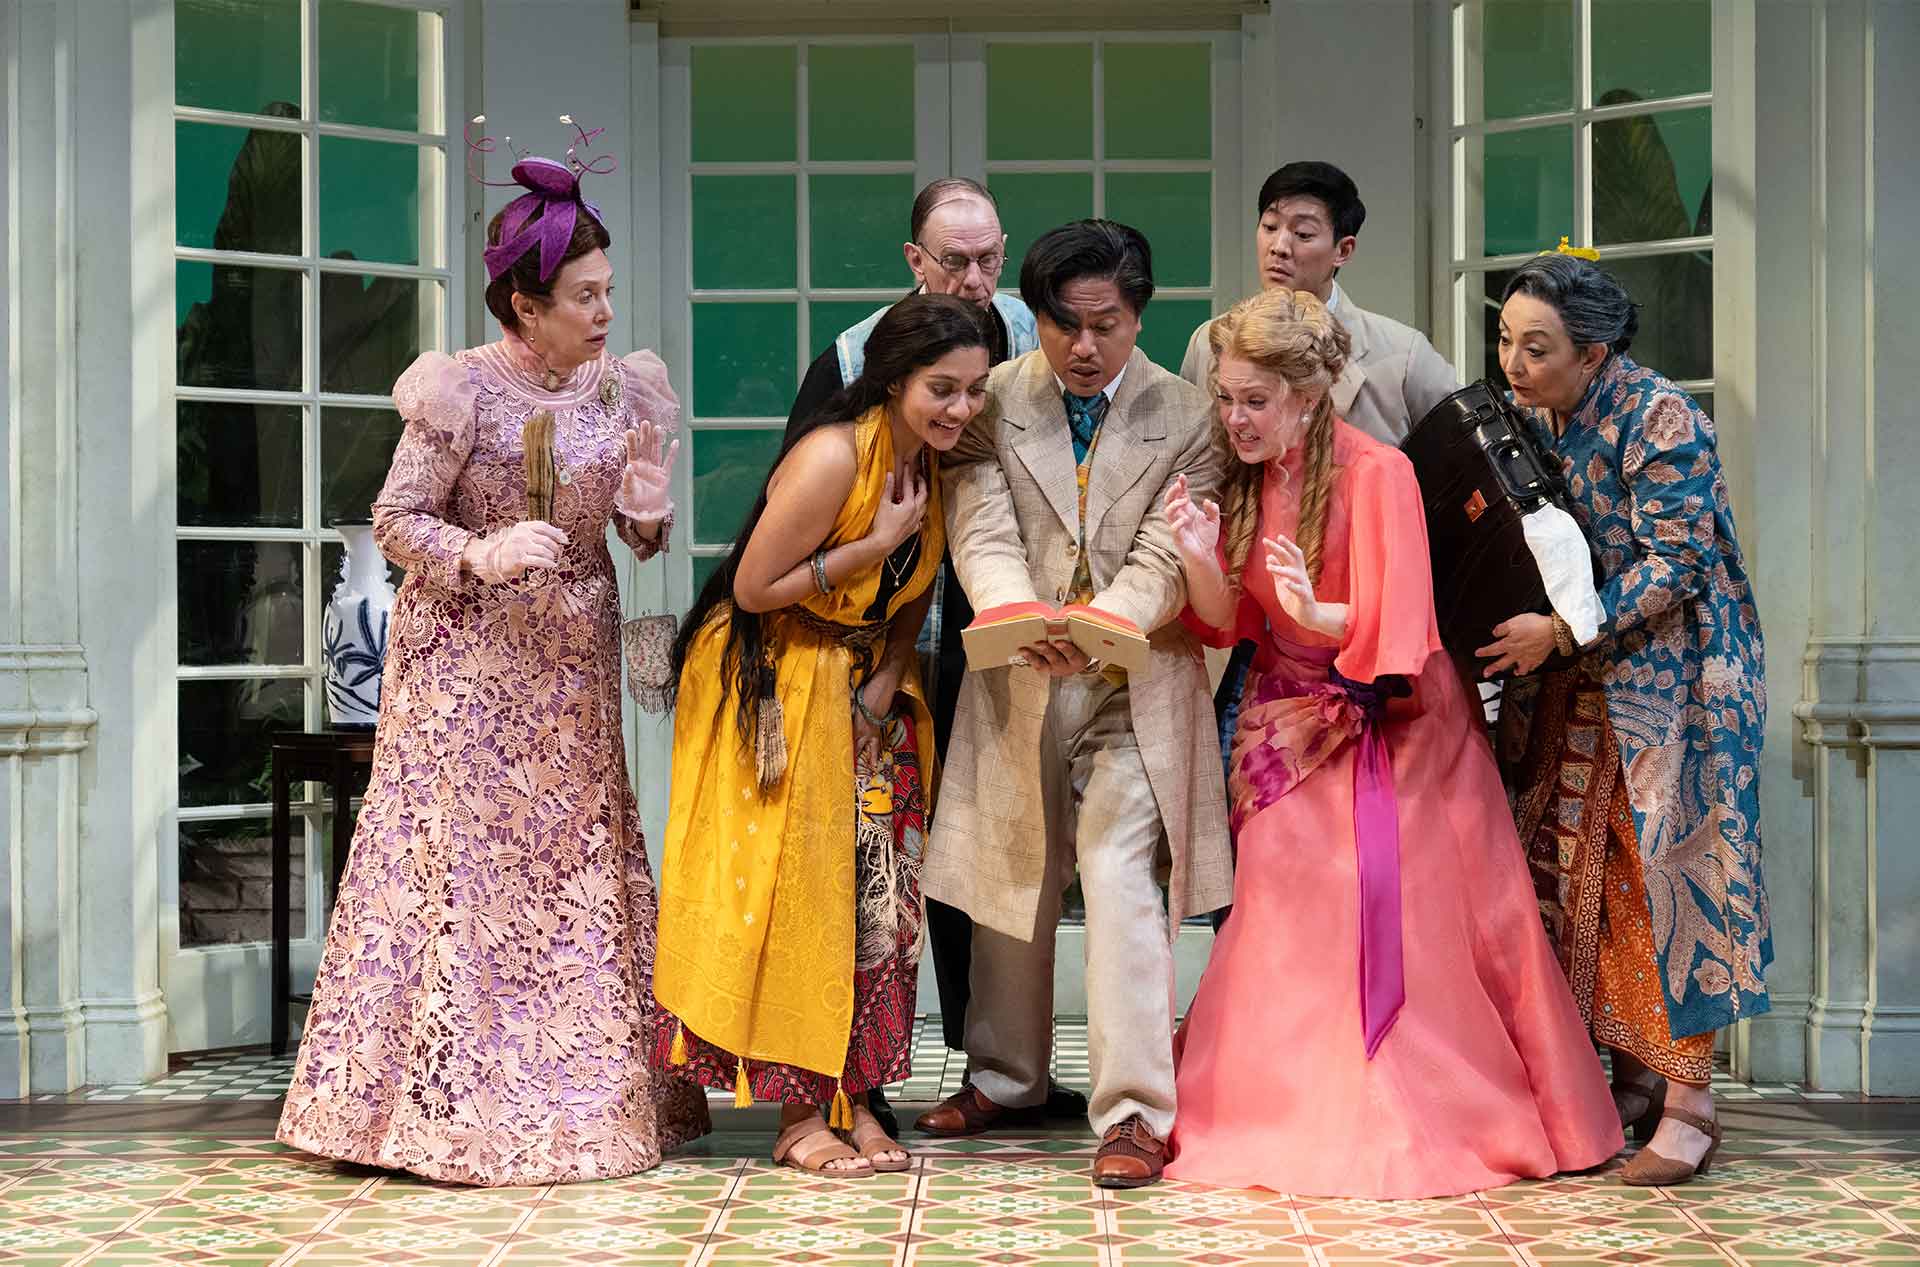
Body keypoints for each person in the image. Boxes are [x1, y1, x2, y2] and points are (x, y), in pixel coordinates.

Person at [277, 123, 709, 1185]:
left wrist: (648, 518)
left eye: (608, 292)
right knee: (465, 867)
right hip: (466, 666)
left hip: (571, 666)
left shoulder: (621, 390)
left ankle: (586, 1105)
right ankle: (437, 1114)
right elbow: (394, 519)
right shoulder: (459, 388)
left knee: (573, 860)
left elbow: (631, 537)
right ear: (525, 303)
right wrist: (479, 550)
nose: (605, 313)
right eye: (585, 297)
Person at [1161, 287, 1622, 1198]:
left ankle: (1425, 1109)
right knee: (1277, 897)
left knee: (1413, 914)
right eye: (1225, 397)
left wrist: (1315, 610)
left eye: (1254, 399)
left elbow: (1398, 628)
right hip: (1288, 719)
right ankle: (1269, 1105)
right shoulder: (1248, 476)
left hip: (1397, 721)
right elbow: (1229, 621)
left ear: (1306, 395)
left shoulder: (1378, 473)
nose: (1234, 417)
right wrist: (1199, 558)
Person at [915, 221, 1232, 1189]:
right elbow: (979, 525)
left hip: (1136, 678)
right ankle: (1006, 1077)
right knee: (1013, 864)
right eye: (1064, 324)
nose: (1084, 346)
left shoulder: (1191, 413)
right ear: (1037, 316)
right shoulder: (994, 397)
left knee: (1118, 870)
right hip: (1017, 668)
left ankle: (1133, 1109)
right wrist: (1018, 615)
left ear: (1140, 315)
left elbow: (1169, 556)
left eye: (1107, 324)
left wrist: (1099, 623)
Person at [652, 294, 993, 1176]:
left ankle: (858, 1098)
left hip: (864, 683)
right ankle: (800, 1115)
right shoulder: (834, 455)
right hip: (773, 683)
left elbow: (917, 594)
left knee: (880, 904)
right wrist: (873, 541)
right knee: (796, 897)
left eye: (974, 390)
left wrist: (882, 686)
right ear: (894, 379)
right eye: (943, 388)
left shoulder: (934, 461)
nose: (961, 407)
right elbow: (755, 587)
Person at [783, 178, 1080, 1131]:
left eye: (991, 257)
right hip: (879, 636)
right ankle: (852, 1066)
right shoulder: (855, 354)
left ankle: (992, 1067)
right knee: (882, 850)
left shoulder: (1032, 341)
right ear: (915, 261)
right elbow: (799, 507)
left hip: (999, 625)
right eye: (955, 260)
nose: (976, 277)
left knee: (987, 844)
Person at [1479, 253, 1771, 1186]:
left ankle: (1691, 1103)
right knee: (1572, 867)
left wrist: (1564, 627)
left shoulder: (1661, 416)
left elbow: (1677, 560)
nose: (1514, 362)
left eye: (1537, 348)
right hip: (1574, 674)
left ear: (1594, 353)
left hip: (1677, 678)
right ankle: (1624, 1078)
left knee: (1668, 877)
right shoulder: (1532, 416)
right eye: (1506, 340)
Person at [1181, 162, 1460, 851]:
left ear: (1343, 249)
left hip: (1376, 662)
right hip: (1268, 650)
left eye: (1302, 232)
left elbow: (1459, 474)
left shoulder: (1398, 362)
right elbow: (1212, 477)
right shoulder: (1219, 358)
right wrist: (1199, 553)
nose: (1279, 245)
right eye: (1269, 226)